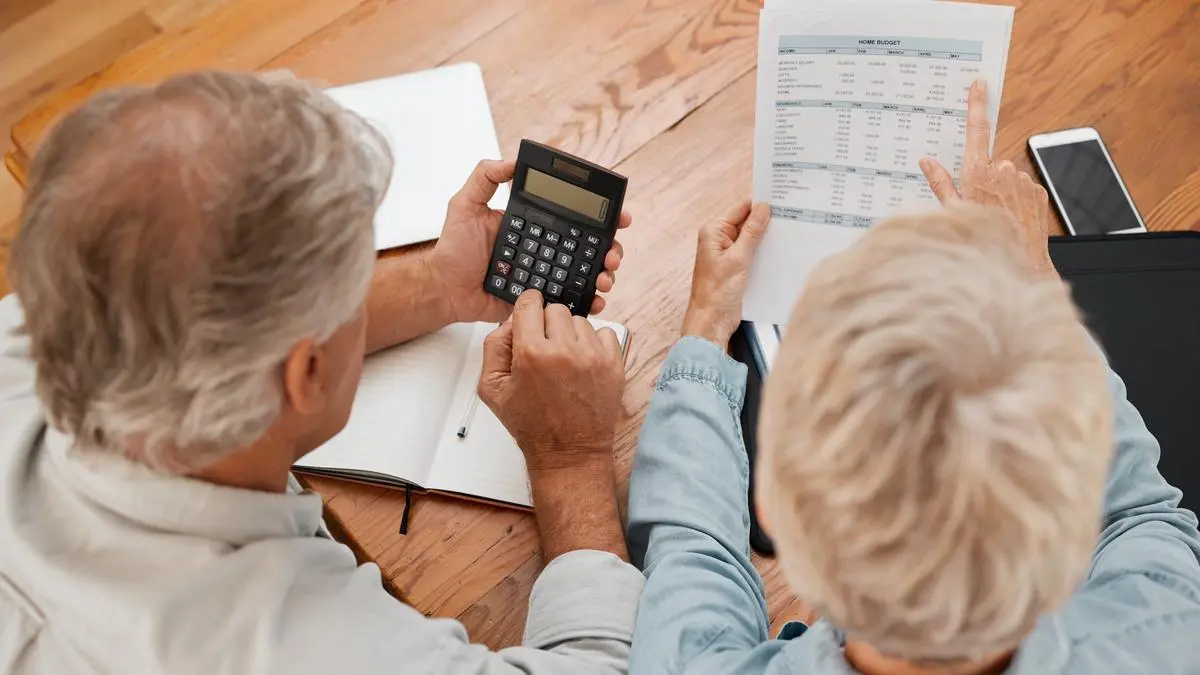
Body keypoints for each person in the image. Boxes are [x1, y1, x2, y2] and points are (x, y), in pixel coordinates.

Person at [0, 70, 640, 674]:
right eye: (356, 279)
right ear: (305, 374)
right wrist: (571, 460)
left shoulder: (48, 313)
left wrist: (440, 286)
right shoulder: (309, 649)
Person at [626, 80, 1200, 674]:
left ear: (770, 507)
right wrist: (1035, 285)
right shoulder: (1173, 631)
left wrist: (704, 330)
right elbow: (1140, 515)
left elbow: (693, 558)